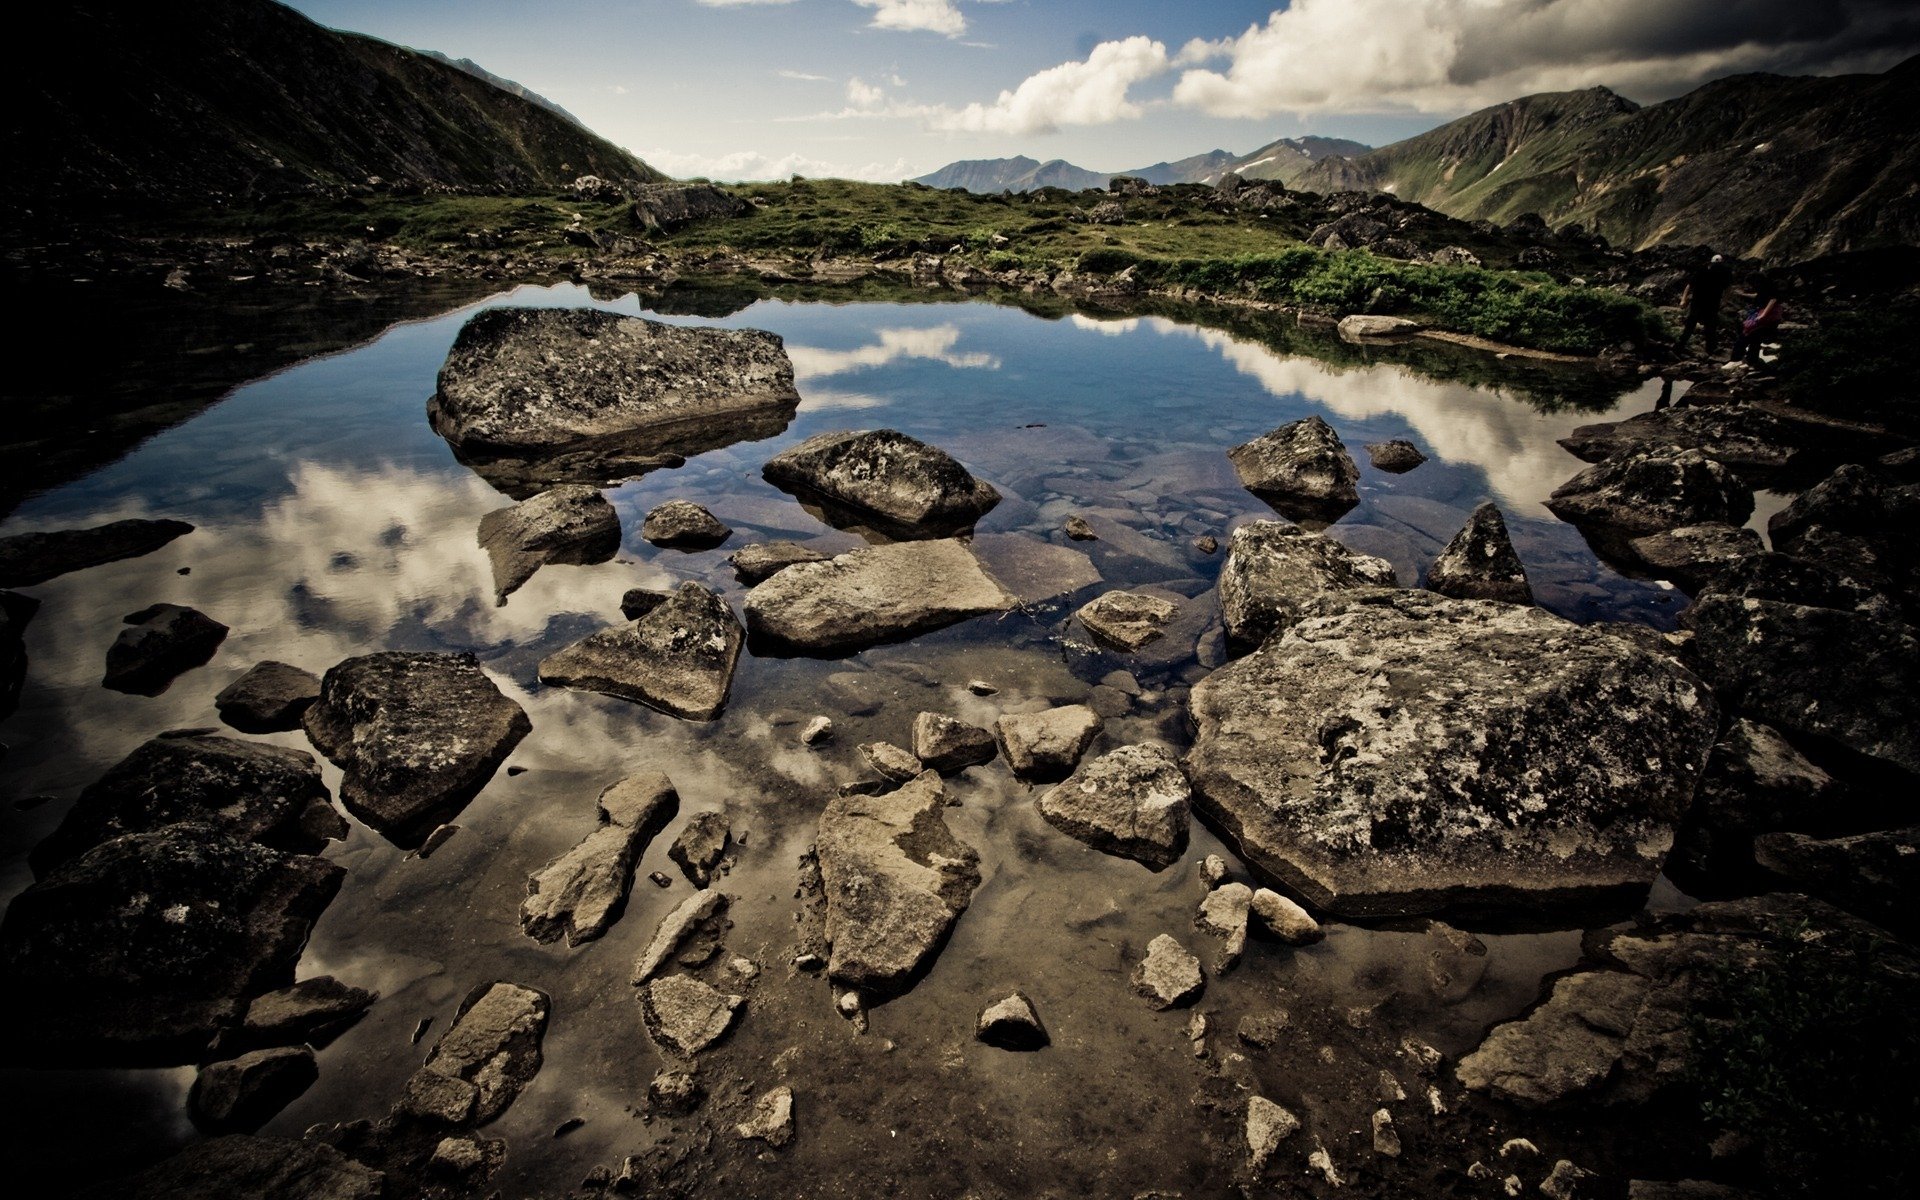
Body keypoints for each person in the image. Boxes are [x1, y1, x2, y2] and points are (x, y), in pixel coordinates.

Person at [1676, 252, 1732, 356]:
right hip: (1698, 302)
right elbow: (1689, 286)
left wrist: (1724, 301)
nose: (1717, 267)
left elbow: (1728, 288)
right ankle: (1680, 346)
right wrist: (1683, 300)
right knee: (1690, 325)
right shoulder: (1701, 271)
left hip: (1712, 304)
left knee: (1710, 327)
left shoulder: (1723, 274)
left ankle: (1710, 350)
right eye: (1716, 265)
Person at [1731, 274, 1784, 366]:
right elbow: (1759, 296)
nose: (1751, 285)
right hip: (1769, 316)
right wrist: (1743, 295)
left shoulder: (1769, 289)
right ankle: (1751, 361)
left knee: (1747, 335)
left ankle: (1736, 359)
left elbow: (1773, 300)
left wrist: (1763, 315)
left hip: (1768, 316)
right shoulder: (1765, 289)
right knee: (1755, 338)